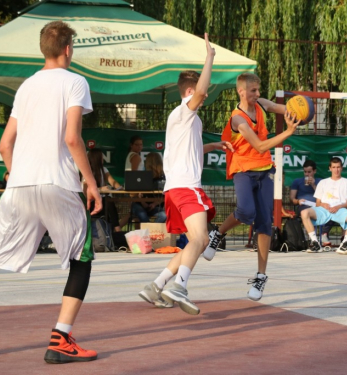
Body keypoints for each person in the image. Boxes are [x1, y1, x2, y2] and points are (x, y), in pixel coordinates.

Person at [0, 21, 102, 364]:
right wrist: (91, 181)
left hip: (20, 186)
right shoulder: (76, 82)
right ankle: (60, 339)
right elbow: (72, 138)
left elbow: (6, 143)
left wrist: (15, 171)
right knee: (80, 260)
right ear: (68, 49)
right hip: (59, 185)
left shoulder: (25, 87)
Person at [138, 33, 233, 315]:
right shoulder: (183, 111)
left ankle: (157, 285)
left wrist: (212, 145)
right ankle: (179, 286)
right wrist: (210, 57)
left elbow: (188, 150)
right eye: (200, 93)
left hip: (177, 189)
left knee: (195, 241)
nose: (204, 97)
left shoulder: (188, 119)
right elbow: (201, 92)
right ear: (190, 92)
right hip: (186, 188)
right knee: (201, 240)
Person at [202, 72, 301, 302]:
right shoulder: (238, 119)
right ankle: (218, 232)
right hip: (243, 169)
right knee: (247, 212)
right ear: (241, 91)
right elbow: (259, 146)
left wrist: (300, 108)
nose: (258, 94)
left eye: (259, 90)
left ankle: (260, 276)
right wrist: (287, 132)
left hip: (265, 169)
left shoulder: (261, 105)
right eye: (254, 91)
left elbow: (285, 108)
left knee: (265, 222)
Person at [300, 157, 347, 255]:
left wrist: (338, 207)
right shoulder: (323, 182)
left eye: (338, 167)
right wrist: (324, 205)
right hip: (323, 210)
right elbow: (318, 203)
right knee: (304, 212)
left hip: (340, 210)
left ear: (342, 168)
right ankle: (315, 243)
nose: (336, 170)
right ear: (330, 168)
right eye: (334, 167)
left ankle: (344, 244)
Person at [83, 148, 122, 232]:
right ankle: (117, 229)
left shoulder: (103, 169)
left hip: (103, 200)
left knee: (109, 201)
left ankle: (115, 229)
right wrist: (100, 189)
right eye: (101, 157)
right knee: (108, 202)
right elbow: (85, 190)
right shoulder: (87, 171)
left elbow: (112, 181)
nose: (103, 159)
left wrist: (120, 187)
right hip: (92, 201)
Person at [131, 152, 166, 223]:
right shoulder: (142, 175)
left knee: (164, 215)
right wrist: (143, 203)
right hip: (140, 205)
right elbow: (135, 195)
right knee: (143, 215)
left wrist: (154, 204)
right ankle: (150, 232)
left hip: (155, 206)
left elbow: (166, 195)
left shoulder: (164, 177)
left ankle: (151, 232)